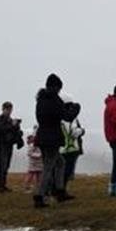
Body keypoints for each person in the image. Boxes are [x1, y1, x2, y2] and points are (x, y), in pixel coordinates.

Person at [34, 73, 69, 207]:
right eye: (59, 88)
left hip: (42, 136)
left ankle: (59, 191)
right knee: (48, 167)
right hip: (52, 138)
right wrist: (75, 109)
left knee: (60, 162)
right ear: (55, 87)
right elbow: (66, 116)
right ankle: (39, 196)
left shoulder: (41, 100)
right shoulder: (54, 100)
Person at [0, 101, 23, 193]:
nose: (9, 111)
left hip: (9, 145)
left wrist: (17, 126)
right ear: (3, 109)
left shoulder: (10, 120)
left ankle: (2, 185)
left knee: (6, 165)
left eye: (10, 109)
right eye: (7, 109)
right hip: (1, 145)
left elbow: (13, 131)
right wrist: (12, 125)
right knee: (2, 166)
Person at [60, 98, 85, 188]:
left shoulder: (59, 117)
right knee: (67, 170)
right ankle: (62, 188)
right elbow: (74, 133)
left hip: (61, 148)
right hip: (71, 148)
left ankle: (56, 188)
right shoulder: (72, 119)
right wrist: (82, 130)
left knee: (59, 169)